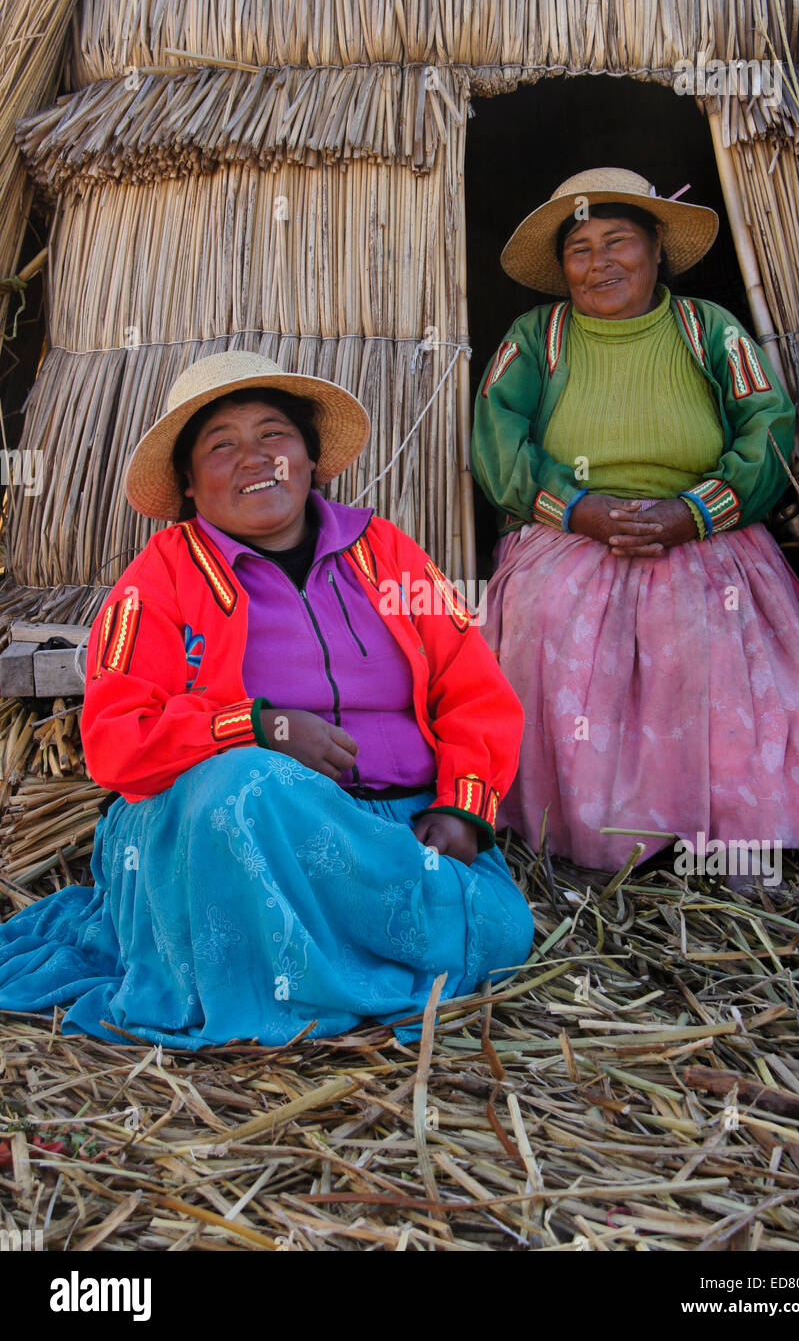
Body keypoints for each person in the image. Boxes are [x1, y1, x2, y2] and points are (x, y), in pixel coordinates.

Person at [0, 351, 533, 1048]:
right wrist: (259, 726)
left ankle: (333, 946)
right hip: (223, 826)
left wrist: (462, 806)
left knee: (507, 930)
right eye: (221, 445)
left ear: (311, 459)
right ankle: (315, 968)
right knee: (247, 787)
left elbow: (475, 689)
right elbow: (116, 743)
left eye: (274, 434)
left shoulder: (389, 555)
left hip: (389, 825)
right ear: (190, 485)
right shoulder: (157, 581)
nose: (255, 458)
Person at [471, 167, 799, 885]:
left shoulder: (709, 329)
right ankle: (590, 839)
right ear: (561, 269)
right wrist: (579, 509)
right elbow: (496, 440)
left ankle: (730, 836)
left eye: (618, 241)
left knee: (707, 625)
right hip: (572, 533)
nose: (600, 261)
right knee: (548, 615)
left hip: (705, 530)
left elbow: (766, 428)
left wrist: (693, 512)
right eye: (580, 249)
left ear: (657, 250)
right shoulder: (535, 337)